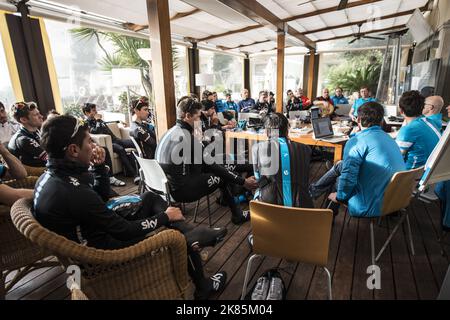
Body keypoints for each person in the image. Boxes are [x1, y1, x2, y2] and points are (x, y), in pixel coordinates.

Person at [34, 115, 228, 299]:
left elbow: (99, 198)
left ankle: (191, 234)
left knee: (150, 198)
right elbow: (124, 230)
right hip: (102, 258)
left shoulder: (51, 178)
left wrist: (100, 168)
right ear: (73, 150)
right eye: (89, 142)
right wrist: (165, 217)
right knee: (175, 237)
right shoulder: (73, 192)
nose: (93, 146)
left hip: (91, 239)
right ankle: (201, 281)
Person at [156, 96, 258, 225]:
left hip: (167, 188)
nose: (199, 120)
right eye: (198, 117)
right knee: (222, 175)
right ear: (187, 115)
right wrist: (243, 181)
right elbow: (213, 166)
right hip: (183, 191)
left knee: (224, 165)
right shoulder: (187, 137)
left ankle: (232, 193)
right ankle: (237, 214)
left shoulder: (169, 132)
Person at [310, 102, 406, 217]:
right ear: (381, 120)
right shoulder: (388, 138)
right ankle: (313, 191)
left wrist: (339, 197)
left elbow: (348, 178)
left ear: (358, 119)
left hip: (370, 204)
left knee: (339, 179)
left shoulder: (357, 142)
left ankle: (325, 217)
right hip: (395, 198)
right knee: (340, 165)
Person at [252, 113, 313, 208]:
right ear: (287, 131)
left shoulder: (257, 148)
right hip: (302, 211)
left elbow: (258, 179)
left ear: (267, 132)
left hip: (269, 211)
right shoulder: (306, 149)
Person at [82, 103, 137, 181]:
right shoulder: (86, 123)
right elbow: (95, 131)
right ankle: (133, 174)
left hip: (116, 139)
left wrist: (119, 122)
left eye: (96, 110)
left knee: (134, 142)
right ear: (87, 113)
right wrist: (97, 120)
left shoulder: (99, 120)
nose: (96, 112)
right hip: (109, 143)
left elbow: (106, 124)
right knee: (120, 149)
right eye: (93, 110)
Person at [396, 91, 441, 170]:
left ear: (401, 111)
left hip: (412, 176)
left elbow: (395, 157)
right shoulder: (430, 122)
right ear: (422, 108)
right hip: (431, 172)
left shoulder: (408, 130)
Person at [8, 101, 47, 167]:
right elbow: (49, 158)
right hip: (35, 175)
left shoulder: (35, 131)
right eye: (36, 115)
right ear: (23, 120)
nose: (41, 116)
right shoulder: (23, 139)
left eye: (39, 113)